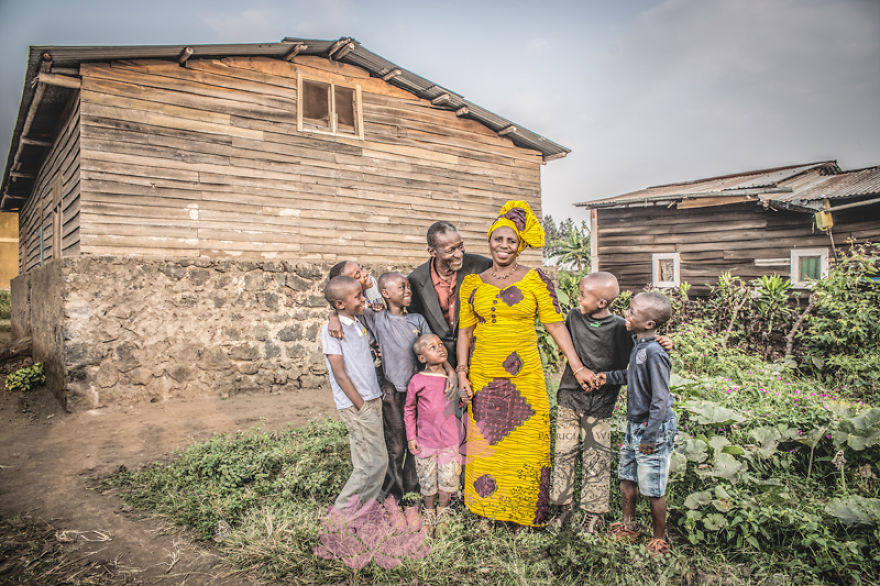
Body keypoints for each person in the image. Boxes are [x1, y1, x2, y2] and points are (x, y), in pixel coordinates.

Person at [455, 200, 596, 527]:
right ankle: (487, 511)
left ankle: (522, 511)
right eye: (498, 239)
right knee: (486, 441)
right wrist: (462, 372)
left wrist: (576, 365)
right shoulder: (472, 284)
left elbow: (556, 325)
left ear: (520, 246)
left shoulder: (536, 280)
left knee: (524, 444)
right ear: (489, 241)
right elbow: (464, 332)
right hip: (484, 375)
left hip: (523, 376)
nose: (504, 246)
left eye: (511, 241)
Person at [549, 273, 674, 533]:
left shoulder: (622, 327)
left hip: (601, 402)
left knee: (597, 458)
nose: (578, 298)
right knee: (564, 454)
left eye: (584, 295)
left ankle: (593, 513)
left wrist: (661, 341)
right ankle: (563, 508)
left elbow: (641, 355)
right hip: (569, 396)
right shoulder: (573, 317)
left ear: (602, 302)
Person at [597, 291, 677, 555]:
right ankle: (629, 526)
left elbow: (661, 399)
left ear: (650, 324)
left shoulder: (654, 353)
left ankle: (660, 538)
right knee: (627, 477)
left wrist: (651, 436)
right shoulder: (639, 346)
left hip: (651, 429)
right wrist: (606, 378)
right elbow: (630, 375)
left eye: (632, 311)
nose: (627, 314)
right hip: (634, 426)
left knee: (653, 487)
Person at [320, 276, 387, 512]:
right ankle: (341, 517)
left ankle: (360, 513)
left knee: (376, 462)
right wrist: (361, 405)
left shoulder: (357, 322)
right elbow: (339, 373)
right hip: (357, 404)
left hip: (371, 398)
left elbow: (376, 298)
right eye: (358, 296)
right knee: (370, 464)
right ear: (339, 304)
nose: (363, 299)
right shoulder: (332, 330)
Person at [409, 221, 492, 366]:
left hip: (481, 357)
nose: (459, 254)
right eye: (450, 250)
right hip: (442, 362)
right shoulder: (415, 281)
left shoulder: (482, 266)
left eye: (460, 246)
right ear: (432, 252)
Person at [404, 333, 464, 532]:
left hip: (449, 441)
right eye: (432, 347)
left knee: (448, 479)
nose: (440, 348)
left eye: (440, 344)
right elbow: (409, 409)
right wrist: (411, 437)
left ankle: (444, 511)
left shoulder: (451, 379)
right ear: (422, 358)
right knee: (427, 480)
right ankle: (429, 512)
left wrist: (463, 395)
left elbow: (461, 403)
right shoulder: (417, 380)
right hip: (425, 442)